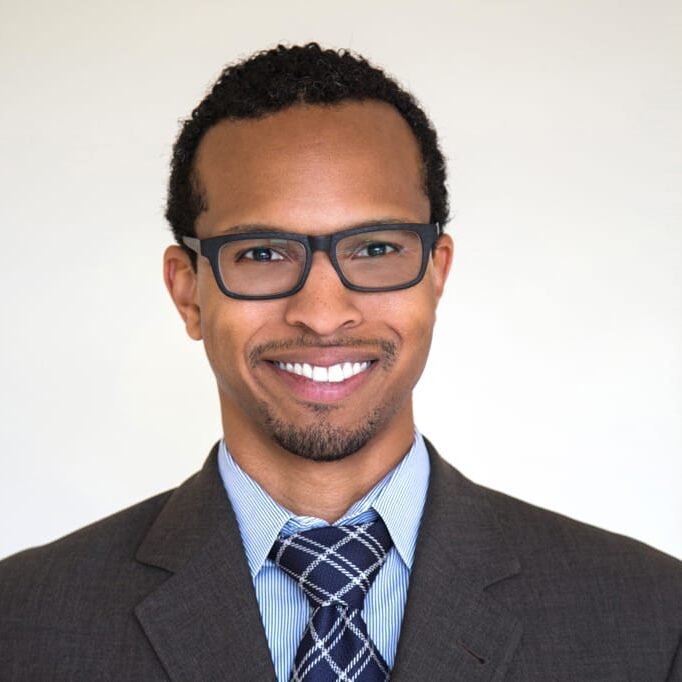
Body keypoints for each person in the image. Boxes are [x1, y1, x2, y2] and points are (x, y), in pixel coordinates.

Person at [0, 43, 680, 682]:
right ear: (188, 292)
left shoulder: (652, 620)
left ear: (436, 275)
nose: (323, 313)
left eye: (376, 249)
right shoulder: (23, 624)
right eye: (262, 253)